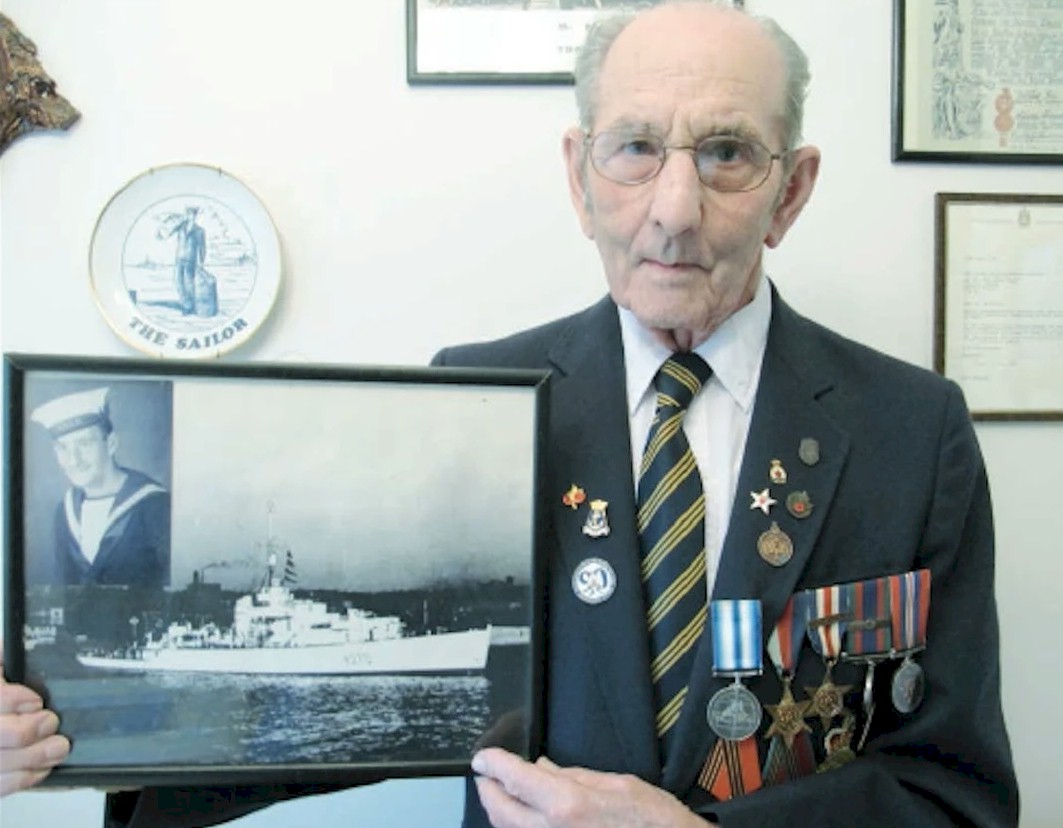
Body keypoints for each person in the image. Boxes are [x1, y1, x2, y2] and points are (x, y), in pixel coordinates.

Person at [0, 2, 1017, 825]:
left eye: (725, 153)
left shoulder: (909, 432)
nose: (673, 209)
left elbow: (953, 792)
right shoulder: (477, 398)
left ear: (789, 192)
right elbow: (326, 731)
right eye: (634, 148)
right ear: (578, 178)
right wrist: (67, 735)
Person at [28, 386, 171, 588]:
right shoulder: (65, 512)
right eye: (63, 447)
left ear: (111, 443)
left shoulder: (155, 505)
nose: (74, 460)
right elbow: (65, 591)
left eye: (85, 443)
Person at [168, 205, 207, 315]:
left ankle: (190, 307)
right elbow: (167, 232)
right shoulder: (180, 227)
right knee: (178, 281)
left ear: (195, 216)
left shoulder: (200, 231)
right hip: (179, 258)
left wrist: (202, 261)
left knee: (189, 283)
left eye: (192, 214)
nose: (189, 216)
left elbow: (202, 247)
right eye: (188, 214)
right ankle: (186, 303)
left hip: (191, 260)